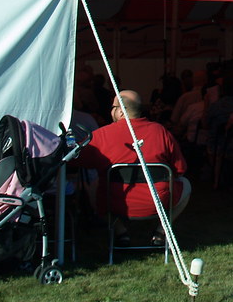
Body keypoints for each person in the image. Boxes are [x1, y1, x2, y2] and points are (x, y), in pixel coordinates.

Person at [76, 90, 191, 244]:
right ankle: (161, 232)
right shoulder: (160, 131)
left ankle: (120, 231)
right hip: (157, 202)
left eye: (113, 107)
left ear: (120, 111)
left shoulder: (101, 135)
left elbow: (76, 160)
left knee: (90, 184)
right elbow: (180, 169)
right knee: (186, 185)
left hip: (114, 202)